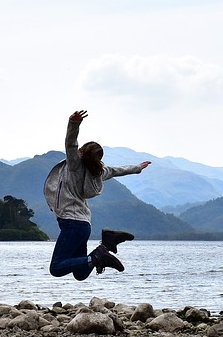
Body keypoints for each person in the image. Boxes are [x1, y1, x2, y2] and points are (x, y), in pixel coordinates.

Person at [44, 109, 150, 279]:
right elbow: (116, 170)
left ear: (81, 153)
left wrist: (74, 123)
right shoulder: (98, 172)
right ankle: (104, 247)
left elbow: (70, 143)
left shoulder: (74, 166)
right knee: (80, 273)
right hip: (83, 225)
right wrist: (137, 167)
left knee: (56, 268)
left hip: (71, 223)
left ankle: (99, 254)